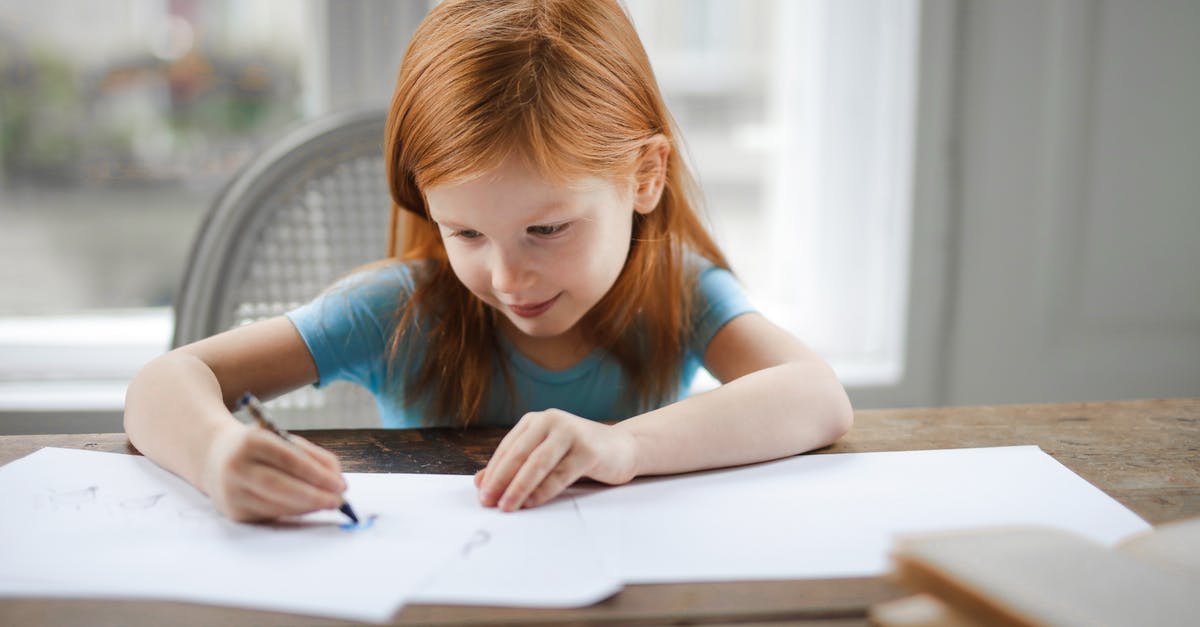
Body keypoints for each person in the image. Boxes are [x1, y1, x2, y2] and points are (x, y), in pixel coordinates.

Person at [124, 0, 853, 523]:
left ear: (645, 177)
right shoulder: (395, 310)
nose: (506, 278)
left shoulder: (678, 289)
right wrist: (217, 454)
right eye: (465, 233)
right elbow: (163, 383)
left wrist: (622, 445)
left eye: (545, 227)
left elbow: (818, 396)